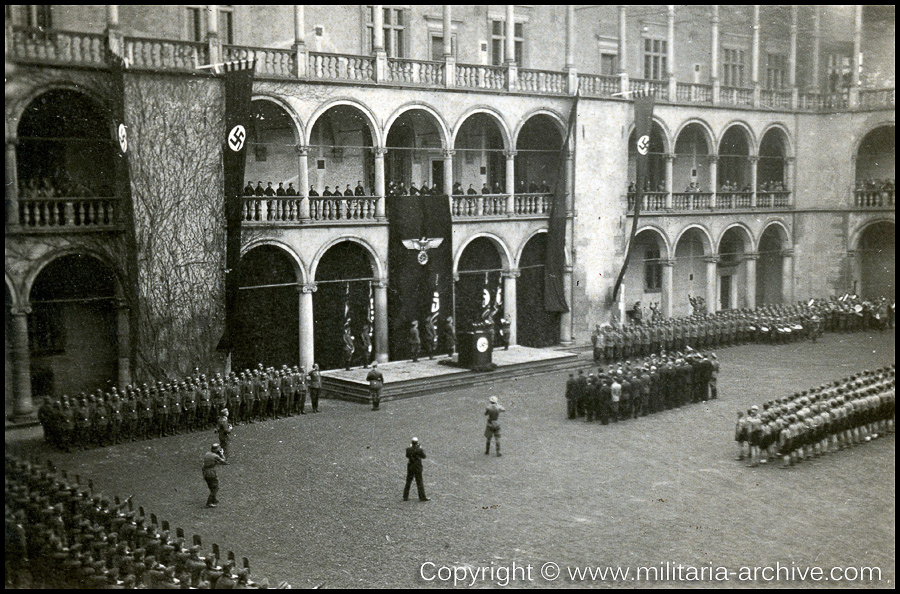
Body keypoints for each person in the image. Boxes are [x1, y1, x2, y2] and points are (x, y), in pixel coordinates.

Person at [202, 443, 227, 508]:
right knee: (215, 487)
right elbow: (224, 461)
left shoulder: (207, 454)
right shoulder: (215, 456)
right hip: (211, 473)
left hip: (205, 472)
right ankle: (209, 502)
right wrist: (222, 454)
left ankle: (213, 499)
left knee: (210, 486)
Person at [403, 437, 429, 502]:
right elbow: (424, 456)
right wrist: (420, 448)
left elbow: (407, 456)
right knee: (419, 482)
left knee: (408, 481)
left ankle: (405, 496)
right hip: (417, 467)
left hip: (410, 467)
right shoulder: (419, 450)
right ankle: (422, 497)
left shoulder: (408, 449)